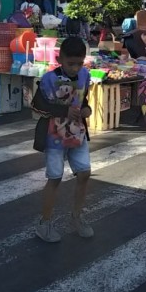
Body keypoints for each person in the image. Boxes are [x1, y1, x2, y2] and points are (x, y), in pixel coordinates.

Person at [31, 36, 93, 243]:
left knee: (84, 173)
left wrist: (86, 110)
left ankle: (77, 216)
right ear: (60, 59)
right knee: (55, 178)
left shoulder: (86, 75)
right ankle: (45, 223)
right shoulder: (49, 79)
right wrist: (63, 110)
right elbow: (36, 106)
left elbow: (84, 100)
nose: (75, 68)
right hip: (54, 136)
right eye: (70, 63)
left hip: (77, 134)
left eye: (79, 63)